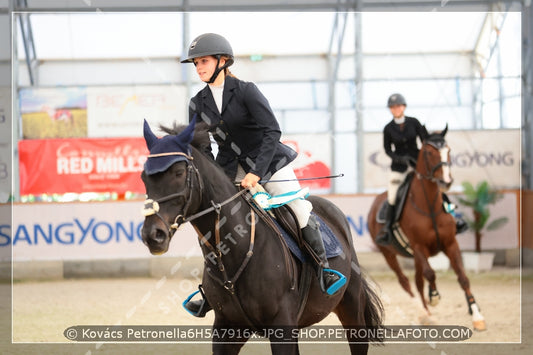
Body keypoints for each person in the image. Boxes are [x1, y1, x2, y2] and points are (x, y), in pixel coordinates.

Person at [180, 33, 346, 317]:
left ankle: (323, 270)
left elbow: (272, 131)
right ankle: (212, 288)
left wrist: (257, 172)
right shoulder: (198, 102)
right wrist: (214, 179)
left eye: (203, 61)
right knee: (214, 220)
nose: (199, 67)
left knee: (299, 208)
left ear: (223, 61)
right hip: (229, 167)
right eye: (196, 63)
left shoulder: (245, 91)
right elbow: (203, 147)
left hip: (268, 162)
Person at [375, 93, 467, 246]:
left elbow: (425, 139)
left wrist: (437, 139)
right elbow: (387, 150)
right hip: (399, 167)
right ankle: (387, 229)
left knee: (436, 189)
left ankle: (455, 219)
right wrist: (400, 158)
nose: (396, 109)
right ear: (390, 110)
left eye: (398, 106)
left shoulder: (413, 122)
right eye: (393, 107)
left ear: (403, 107)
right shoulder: (388, 128)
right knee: (392, 195)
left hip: (418, 165)